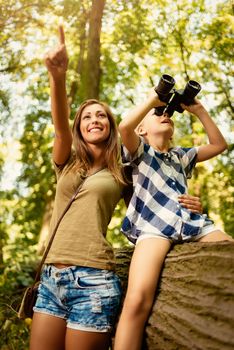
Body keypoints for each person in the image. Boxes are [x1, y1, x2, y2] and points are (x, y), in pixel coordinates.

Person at [29, 26, 204, 350]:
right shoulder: (66, 161)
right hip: (52, 279)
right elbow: (59, 125)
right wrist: (57, 75)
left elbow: (153, 203)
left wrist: (192, 207)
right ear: (80, 128)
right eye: (86, 117)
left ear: (109, 126)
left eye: (101, 116)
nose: (94, 119)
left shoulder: (122, 171)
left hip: (95, 280)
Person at [114, 87, 233, 350]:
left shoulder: (180, 156)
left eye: (167, 112)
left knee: (229, 249)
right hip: (154, 227)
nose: (164, 114)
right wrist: (153, 99)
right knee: (137, 301)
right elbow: (124, 127)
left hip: (192, 223)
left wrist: (198, 109)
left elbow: (219, 145)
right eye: (157, 113)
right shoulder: (140, 151)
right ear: (142, 130)